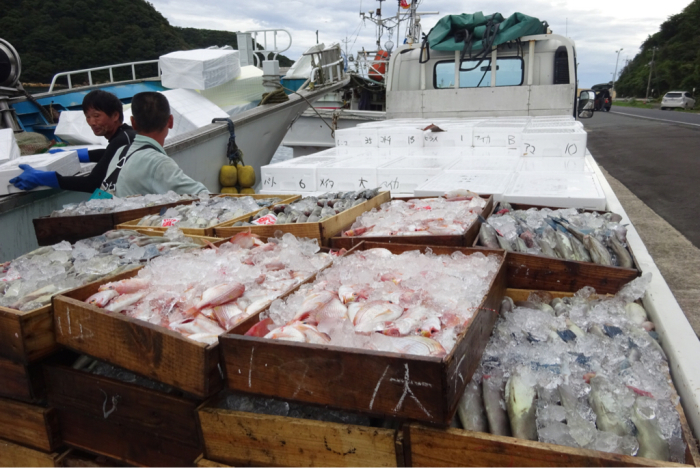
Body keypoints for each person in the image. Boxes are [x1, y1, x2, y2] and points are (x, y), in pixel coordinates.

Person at [10, 90, 136, 193]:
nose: (92, 122)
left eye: (97, 116)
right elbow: (110, 154)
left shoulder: (122, 140)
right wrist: (77, 155)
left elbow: (91, 184)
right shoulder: (127, 135)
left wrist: (43, 178)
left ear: (115, 116)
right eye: (88, 117)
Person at [101, 91, 208, 197]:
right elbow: (204, 196)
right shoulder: (158, 163)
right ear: (170, 121)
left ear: (133, 123)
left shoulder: (121, 151)